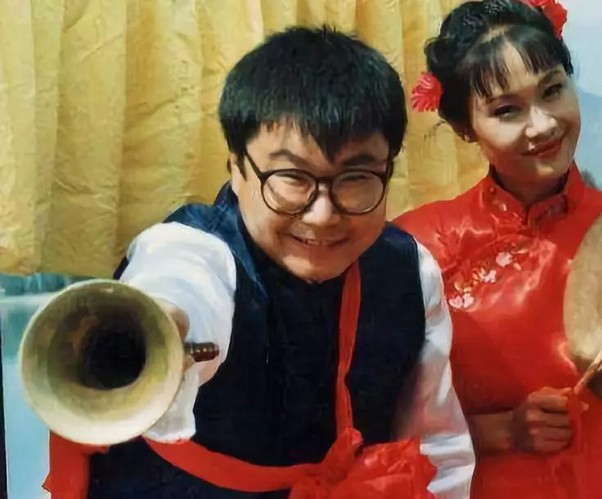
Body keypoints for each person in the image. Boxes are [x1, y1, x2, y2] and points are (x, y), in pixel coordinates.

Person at [43, 26, 475, 499]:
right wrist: (163, 324)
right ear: (236, 166)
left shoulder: (411, 269)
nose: (323, 214)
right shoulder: (193, 248)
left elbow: (437, 444)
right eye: (292, 177)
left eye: (356, 177)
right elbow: (180, 281)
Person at [394, 0, 602, 497]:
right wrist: (503, 431)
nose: (542, 125)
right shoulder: (418, 247)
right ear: (464, 128)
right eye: (507, 110)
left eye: (552, 90)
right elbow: (374, 430)